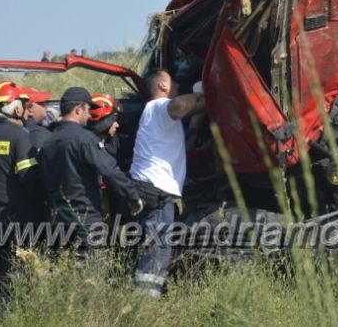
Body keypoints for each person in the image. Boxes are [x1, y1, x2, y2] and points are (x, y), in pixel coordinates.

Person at [130, 69, 204, 297]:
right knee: (158, 248)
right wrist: (207, 93)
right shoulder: (159, 107)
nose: (178, 86)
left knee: (152, 244)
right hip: (156, 189)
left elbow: (189, 137)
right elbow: (180, 106)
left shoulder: (154, 115)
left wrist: (199, 113)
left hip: (145, 187)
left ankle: (141, 296)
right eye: (173, 83)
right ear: (162, 85)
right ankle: (145, 303)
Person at [41, 87, 142, 255]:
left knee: (65, 269)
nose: (89, 115)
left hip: (57, 220)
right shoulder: (84, 139)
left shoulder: (48, 140)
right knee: (91, 272)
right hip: (85, 219)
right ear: (78, 109)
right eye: (87, 110)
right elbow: (109, 170)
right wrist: (132, 195)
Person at [0, 80, 46, 317]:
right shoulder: (20, 137)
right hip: (15, 222)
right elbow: (29, 178)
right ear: (16, 109)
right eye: (23, 104)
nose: (26, 109)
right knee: (19, 280)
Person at [22, 86, 53, 151]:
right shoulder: (37, 134)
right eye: (41, 103)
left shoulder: (17, 129)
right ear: (30, 110)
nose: (45, 106)